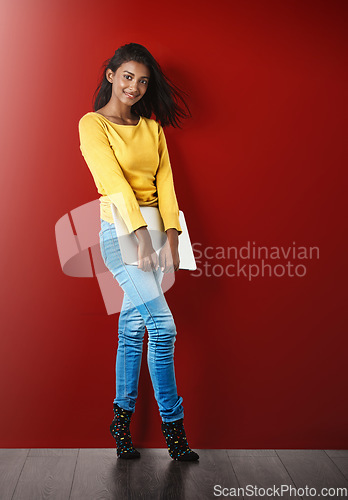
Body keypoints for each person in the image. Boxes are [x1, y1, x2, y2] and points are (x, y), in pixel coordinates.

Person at [78, 43, 199, 461]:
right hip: (120, 231)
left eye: (143, 81)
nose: (135, 86)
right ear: (111, 75)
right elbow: (113, 182)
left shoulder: (152, 128)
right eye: (128, 76)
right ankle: (175, 432)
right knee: (162, 328)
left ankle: (120, 428)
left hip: (157, 232)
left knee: (132, 329)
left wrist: (173, 234)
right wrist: (141, 238)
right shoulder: (93, 125)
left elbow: (165, 184)